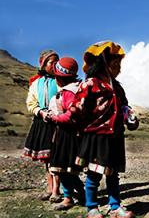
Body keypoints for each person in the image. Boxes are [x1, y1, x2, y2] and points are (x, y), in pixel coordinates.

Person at [69, 41, 139, 218]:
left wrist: (130, 118)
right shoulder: (89, 85)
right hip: (96, 136)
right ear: (103, 64)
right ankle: (92, 207)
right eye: (116, 65)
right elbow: (77, 108)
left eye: (119, 65)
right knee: (94, 174)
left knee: (113, 174)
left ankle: (114, 206)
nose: (119, 69)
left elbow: (124, 107)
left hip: (115, 136)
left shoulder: (117, 87)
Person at [47, 57, 85, 210]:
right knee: (67, 169)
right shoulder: (76, 89)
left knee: (62, 169)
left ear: (59, 78)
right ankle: (79, 193)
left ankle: (70, 197)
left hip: (66, 135)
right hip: (70, 134)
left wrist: (54, 117)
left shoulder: (69, 92)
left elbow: (70, 115)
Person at [24, 49, 61, 202]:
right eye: (52, 62)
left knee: (56, 158)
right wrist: (41, 112)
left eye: (56, 62)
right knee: (47, 160)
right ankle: (49, 188)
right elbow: (31, 103)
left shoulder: (61, 81)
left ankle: (56, 191)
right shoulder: (36, 83)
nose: (55, 65)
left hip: (58, 122)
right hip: (42, 121)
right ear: (44, 64)